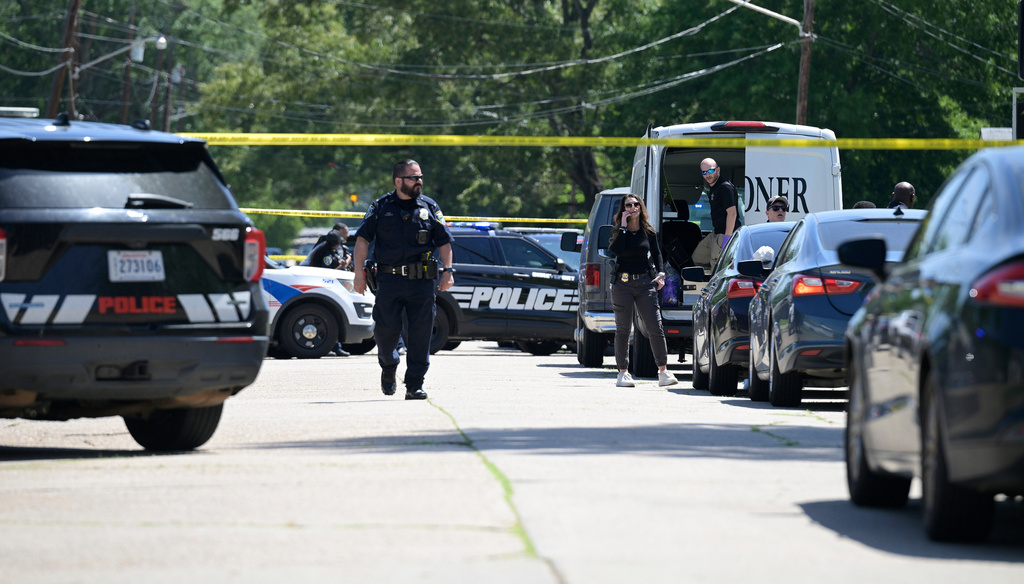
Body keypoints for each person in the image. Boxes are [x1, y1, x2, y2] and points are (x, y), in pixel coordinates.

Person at [352, 159, 454, 400]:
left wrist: (448, 271)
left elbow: (444, 241)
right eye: (413, 177)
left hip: (422, 282)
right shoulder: (381, 207)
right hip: (389, 280)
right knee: (386, 332)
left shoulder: (429, 206)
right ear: (398, 181)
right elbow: (362, 241)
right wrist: (358, 274)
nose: (419, 181)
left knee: (420, 335)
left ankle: (414, 384)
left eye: (420, 177)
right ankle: (388, 367)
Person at [608, 193, 679, 388]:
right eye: (628, 205)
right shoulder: (617, 231)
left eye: (635, 204)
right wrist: (623, 226)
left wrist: (661, 273)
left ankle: (663, 372)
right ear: (623, 209)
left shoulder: (648, 230)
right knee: (623, 330)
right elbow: (617, 251)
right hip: (622, 284)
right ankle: (623, 373)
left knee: (655, 327)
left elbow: (656, 254)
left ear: (641, 207)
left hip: (646, 284)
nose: (632, 207)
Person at [692, 158, 738, 269]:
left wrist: (727, 238)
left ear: (718, 170)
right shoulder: (713, 187)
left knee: (717, 266)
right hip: (715, 232)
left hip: (724, 234)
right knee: (697, 257)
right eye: (704, 172)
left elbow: (732, 214)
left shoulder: (725, 187)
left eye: (710, 171)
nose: (708, 175)